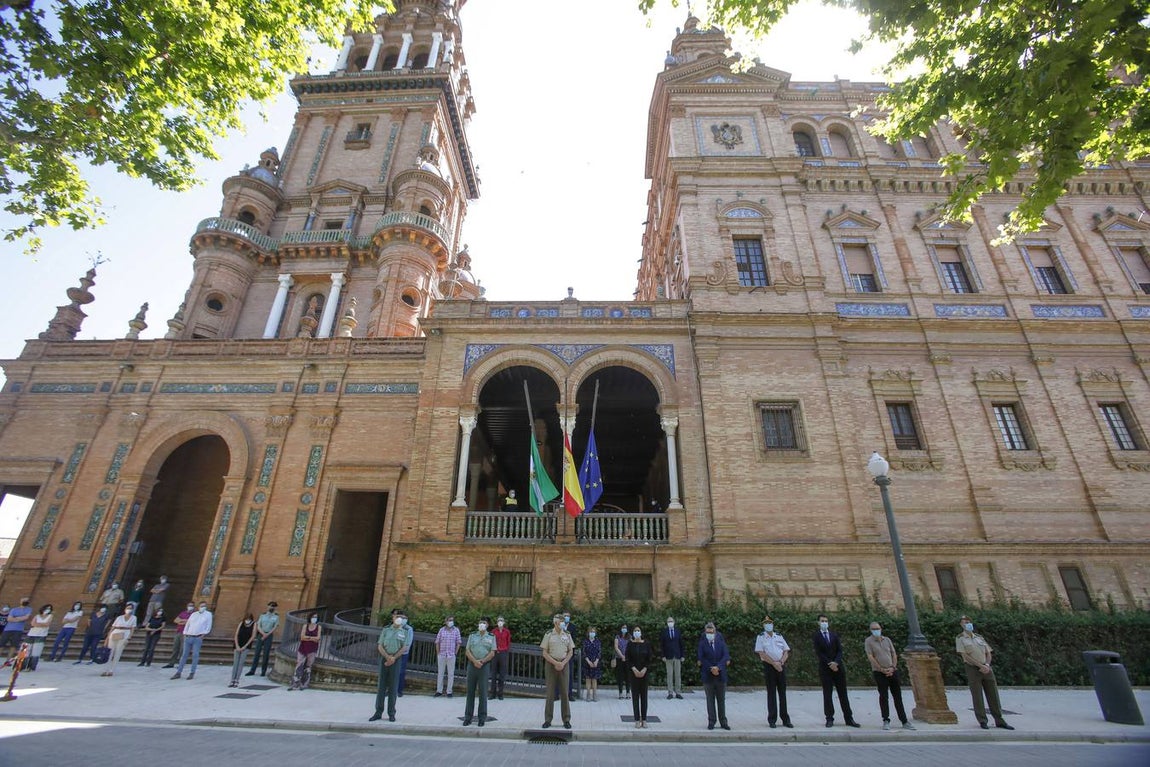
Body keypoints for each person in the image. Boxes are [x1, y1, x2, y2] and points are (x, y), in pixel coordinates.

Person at [956, 615, 1015, 730]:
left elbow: (988, 652)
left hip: (986, 668)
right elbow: (965, 655)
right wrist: (980, 666)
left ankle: (999, 720)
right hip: (973, 668)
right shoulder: (960, 638)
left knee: (993, 694)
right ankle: (982, 720)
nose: (967, 624)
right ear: (961, 624)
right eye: (965, 622)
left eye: (969, 621)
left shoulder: (979, 637)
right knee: (977, 695)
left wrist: (987, 665)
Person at [864, 620, 916, 731]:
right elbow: (870, 656)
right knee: (883, 697)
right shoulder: (868, 641)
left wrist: (892, 667)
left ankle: (904, 720)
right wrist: (881, 669)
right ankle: (886, 720)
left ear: (881, 629)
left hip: (892, 670)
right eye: (873, 629)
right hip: (879, 672)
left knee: (897, 696)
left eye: (877, 628)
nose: (876, 631)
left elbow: (893, 653)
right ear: (870, 630)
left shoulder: (887, 640)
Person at [812, 614, 860, 728]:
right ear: (818, 622)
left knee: (843, 694)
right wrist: (830, 663)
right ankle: (829, 718)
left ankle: (849, 718)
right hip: (825, 668)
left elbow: (840, 650)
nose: (824, 622)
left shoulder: (834, 635)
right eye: (822, 621)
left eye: (826, 621)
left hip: (838, 668)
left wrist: (836, 662)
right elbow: (819, 653)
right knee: (827, 695)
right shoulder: (816, 636)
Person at [755, 615, 793, 728]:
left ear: (773, 624)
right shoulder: (761, 637)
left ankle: (785, 719)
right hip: (769, 667)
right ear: (763, 625)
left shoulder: (779, 636)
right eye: (766, 623)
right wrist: (774, 664)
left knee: (782, 693)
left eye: (770, 622)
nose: (768, 625)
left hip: (780, 666)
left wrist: (781, 662)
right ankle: (772, 719)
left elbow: (786, 651)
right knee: (771, 693)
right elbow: (761, 653)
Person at [370, 610, 408, 722]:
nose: (399, 619)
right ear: (393, 618)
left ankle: (391, 712)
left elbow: (404, 647)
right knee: (381, 686)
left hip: (396, 660)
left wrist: (393, 658)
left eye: (401, 617)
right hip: (384, 658)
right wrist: (387, 657)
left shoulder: (404, 632)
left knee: (393, 687)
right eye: (397, 616)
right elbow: (380, 645)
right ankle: (378, 712)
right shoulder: (386, 630)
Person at [539, 613, 574, 729]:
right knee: (550, 693)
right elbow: (544, 652)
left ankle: (566, 719)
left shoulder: (567, 634)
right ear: (555, 623)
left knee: (565, 693)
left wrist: (562, 663)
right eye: (561, 621)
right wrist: (555, 663)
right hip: (551, 664)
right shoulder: (549, 634)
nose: (563, 623)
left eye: (563, 621)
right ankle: (548, 719)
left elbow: (570, 651)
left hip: (564, 664)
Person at [462, 617, 496, 726]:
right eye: (480, 622)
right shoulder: (472, 635)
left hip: (484, 666)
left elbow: (492, 652)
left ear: (487, 625)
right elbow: (467, 651)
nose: (481, 624)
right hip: (472, 665)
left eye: (484, 623)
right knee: (470, 692)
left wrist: (482, 661)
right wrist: (474, 661)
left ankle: (482, 718)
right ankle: (468, 717)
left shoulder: (491, 637)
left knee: (483, 692)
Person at [698, 621, 730, 730]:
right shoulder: (702, 643)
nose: (709, 634)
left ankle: (723, 721)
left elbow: (725, 656)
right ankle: (711, 721)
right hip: (708, 675)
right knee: (710, 699)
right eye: (707, 632)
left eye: (711, 632)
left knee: (721, 699)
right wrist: (711, 668)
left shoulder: (721, 643)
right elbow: (702, 658)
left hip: (720, 675)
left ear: (715, 632)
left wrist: (718, 667)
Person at [171, 601, 212, 680]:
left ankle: (192, 672)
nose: (202, 607)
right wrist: (185, 633)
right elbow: (188, 624)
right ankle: (179, 672)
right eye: (201, 606)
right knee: (184, 655)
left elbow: (208, 625)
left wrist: (204, 634)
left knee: (195, 655)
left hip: (198, 637)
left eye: (204, 606)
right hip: (188, 636)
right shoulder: (194, 614)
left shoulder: (208, 614)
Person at [626, 625, 653, 728]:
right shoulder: (630, 644)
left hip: (644, 673)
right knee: (635, 697)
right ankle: (637, 719)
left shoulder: (646, 644)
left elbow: (649, 658)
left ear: (641, 633)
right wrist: (634, 669)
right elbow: (628, 659)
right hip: (634, 674)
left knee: (644, 697)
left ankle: (644, 719)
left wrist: (644, 669)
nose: (637, 632)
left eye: (638, 630)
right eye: (635, 630)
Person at [101, 603, 137, 676]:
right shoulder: (119, 617)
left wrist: (129, 637)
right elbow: (113, 627)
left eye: (130, 608)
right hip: (115, 632)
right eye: (128, 608)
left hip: (125, 633)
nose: (129, 609)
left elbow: (133, 628)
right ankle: (105, 669)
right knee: (110, 651)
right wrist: (107, 637)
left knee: (118, 652)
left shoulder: (133, 618)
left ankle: (112, 670)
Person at [247, 601, 279, 676]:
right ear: (267, 606)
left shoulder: (276, 617)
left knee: (266, 654)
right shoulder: (262, 615)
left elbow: (275, 627)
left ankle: (263, 671)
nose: (272, 607)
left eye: (273, 606)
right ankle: (252, 670)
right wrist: (263, 634)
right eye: (271, 605)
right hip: (261, 635)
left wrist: (267, 634)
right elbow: (258, 626)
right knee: (257, 653)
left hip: (269, 635)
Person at [290, 613, 321, 690]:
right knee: (299, 664)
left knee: (308, 666)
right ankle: (295, 683)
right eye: (313, 617)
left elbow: (318, 638)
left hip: (312, 649)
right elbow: (302, 637)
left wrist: (308, 638)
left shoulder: (318, 627)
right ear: (310, 618)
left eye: (316, 617)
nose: (314, 618)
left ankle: (304, 684)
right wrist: (312, 638)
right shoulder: (305, 626)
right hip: (303, 647)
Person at [434, 615, 462, 698]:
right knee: (440, 673)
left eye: (452, 620)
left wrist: (455, 653)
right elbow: (437, 642)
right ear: (445, 621)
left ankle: (449, 691)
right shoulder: (441, 630)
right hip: (442, 655)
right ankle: (439, 691)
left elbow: (458, 642)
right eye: (449, 620)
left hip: (451, 655)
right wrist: (438, 653)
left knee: (451, 674)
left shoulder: (456, 630)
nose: (451, 622)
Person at [659, 615, 685, 700]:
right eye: (669, 621)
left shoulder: (678, 631)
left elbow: (681, 644)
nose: (670, 623)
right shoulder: (664, 632)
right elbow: (662, 645)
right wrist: (663, 655)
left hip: (677, 655)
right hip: (668, 656)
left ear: (674, 622)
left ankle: (678, 692)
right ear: (667, 623)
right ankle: (670, 692)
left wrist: (682, 655)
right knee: (669, 674)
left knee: (678, 675)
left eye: (671, 621)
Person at [162, 602, 194, 669]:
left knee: (182, 649)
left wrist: (182, 621)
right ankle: (171, 663)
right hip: (178, 632)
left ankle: (181, 664)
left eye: (192, 606)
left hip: (186, 633)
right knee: (175, 648)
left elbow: (191, 622)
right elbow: (176, 620)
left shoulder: (194, 614)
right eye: (189, 605)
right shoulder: (183, 613)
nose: (190, 606)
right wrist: (184, 620)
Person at [1, 597, 32, 663]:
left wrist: (15, 618)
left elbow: (26, 617)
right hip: (8, 629)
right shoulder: (14, 609)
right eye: (24, 600)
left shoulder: (29, 609)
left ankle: (8, 661)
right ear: (20, 601)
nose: (25, 601)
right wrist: (20, 618)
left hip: (18, 630)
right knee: (1, 644)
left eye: (26, 600)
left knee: (13, 645)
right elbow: (9, 619)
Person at [229, 613, 256, 687]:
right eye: (246, 619)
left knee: (240, 663)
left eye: (249, 619)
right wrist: (237, 645)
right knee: (235, 663)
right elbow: (236, 634)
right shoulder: (241, 623)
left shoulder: (254, 624)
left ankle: (237, 680)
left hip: (246, 646)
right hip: (238, 644)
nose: (247, 621)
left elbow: (253, 636)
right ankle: (232, 680)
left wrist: (245, 646)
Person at [24, 604, 53, 671]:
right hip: (31, 634)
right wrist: (41, 624)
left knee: (36, 652)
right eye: (46, 608)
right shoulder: (37, 616)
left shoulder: (50, 616)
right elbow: (32, 624)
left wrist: (38, 624)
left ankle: (31, 667)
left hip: (41, 635)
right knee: (26, 650)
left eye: (49, 609)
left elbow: (47, 624)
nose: (47, 610)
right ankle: (22, 665)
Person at [490, 615, 511, 700]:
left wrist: (505, 651)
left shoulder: (507, 632)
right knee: (493, 674)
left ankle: (500, 694)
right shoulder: (493, 631)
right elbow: (491, 641)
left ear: (504, 622)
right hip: (495, 653)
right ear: (497, 622)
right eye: (499, 620)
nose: (500, 622)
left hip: (503, 653)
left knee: (502, 675)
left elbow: (508, 642)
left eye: (501, 620)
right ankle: (492, 694)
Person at [562, 611, 579, 701]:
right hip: (560, 653)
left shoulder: (573, 627)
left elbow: (574, 640)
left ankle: (569, 694)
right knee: (558, 673)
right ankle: (557, 694)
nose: (566, 617)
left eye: (568, 616)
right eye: (565, 616)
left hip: (569, 653)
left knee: (569, 674)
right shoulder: (559, 626)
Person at [582, 626, 602, 701]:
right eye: (591, 632)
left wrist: (596, 661)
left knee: (594, 679)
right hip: (587, 662)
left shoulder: (598, 642)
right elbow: (584, 652)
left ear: (595, 633)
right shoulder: (585, 641)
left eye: (593, 632)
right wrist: (588, 661)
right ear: (588, 633)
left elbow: (599, 652)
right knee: (588, 679)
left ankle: (594, 694)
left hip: (595, 663)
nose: (592, 633)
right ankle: (588, 694)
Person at [614, 624, 631, 699]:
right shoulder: (617, 637)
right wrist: (622, 656)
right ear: (620, 628)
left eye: (625, 627)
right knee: (620, 676)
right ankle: (620, 692)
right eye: (623, 627)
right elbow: (616, 647)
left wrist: (626, 656)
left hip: (628, 659)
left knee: (628, 676)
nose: (624, 629)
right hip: (619, 659)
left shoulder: (629, 637)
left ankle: (628, 692)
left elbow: (631, 647)